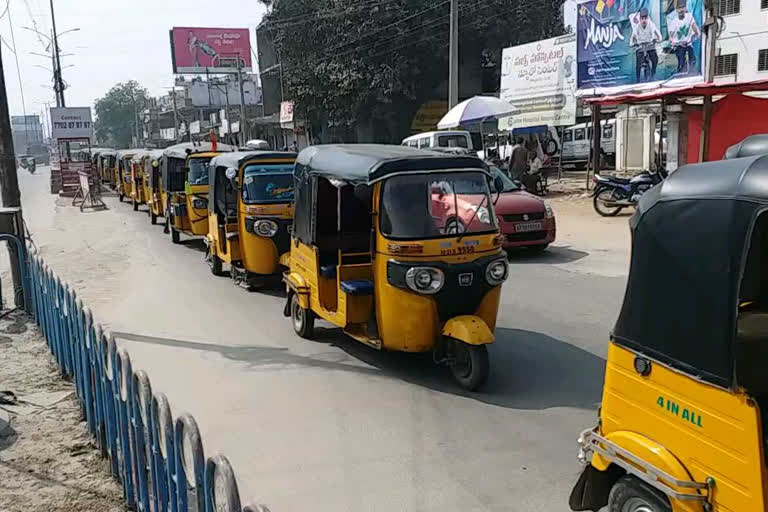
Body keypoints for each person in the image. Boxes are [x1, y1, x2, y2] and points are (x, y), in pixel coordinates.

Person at [630, 8, 662, 82]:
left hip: (650, 45)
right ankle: (638, 80)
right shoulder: (637, 26)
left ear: (647, 18)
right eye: (642, 18)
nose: (644, 20)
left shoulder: (651, 24)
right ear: (640, 19)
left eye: (645, 18)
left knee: (655, 59)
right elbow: (632, 38)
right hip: (641, 46)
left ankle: (653, 73)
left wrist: (658, 39)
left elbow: (658, 35)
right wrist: (632, 43)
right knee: (638, 65)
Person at [668, 4, 700, 75]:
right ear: (677, 10)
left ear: (685, 8)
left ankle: (692, 74)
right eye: (679, 8)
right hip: (679, 45)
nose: (681, 9)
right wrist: (671, 41)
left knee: (693, 59)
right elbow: (671, 36)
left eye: (683, 7)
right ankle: (680, 74)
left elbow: (694, 26)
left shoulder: (689, 16)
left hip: (688, 43)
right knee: (681, 62)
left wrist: (697, 34)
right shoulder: (674, 22)